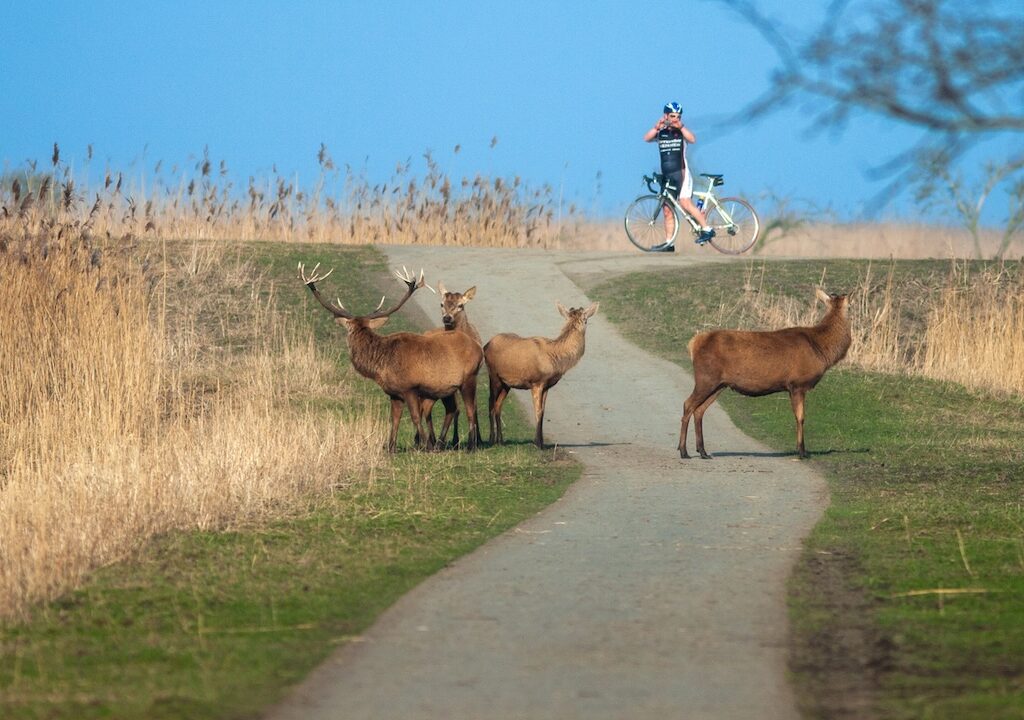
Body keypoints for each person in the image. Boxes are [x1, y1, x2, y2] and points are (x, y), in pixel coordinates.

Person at [643, 101, 715, 251]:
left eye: (678, 116)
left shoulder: (681, 132)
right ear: (666, 115)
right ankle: (669, 243)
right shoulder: (661, 132)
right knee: (667, 209)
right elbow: (647, 138)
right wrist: (657, 127)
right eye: (673, 116)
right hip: (667, 176)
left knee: (685, 203)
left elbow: (693, 139)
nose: (676, 119)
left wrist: (681, 127)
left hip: (681, 173)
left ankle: (707, 229)